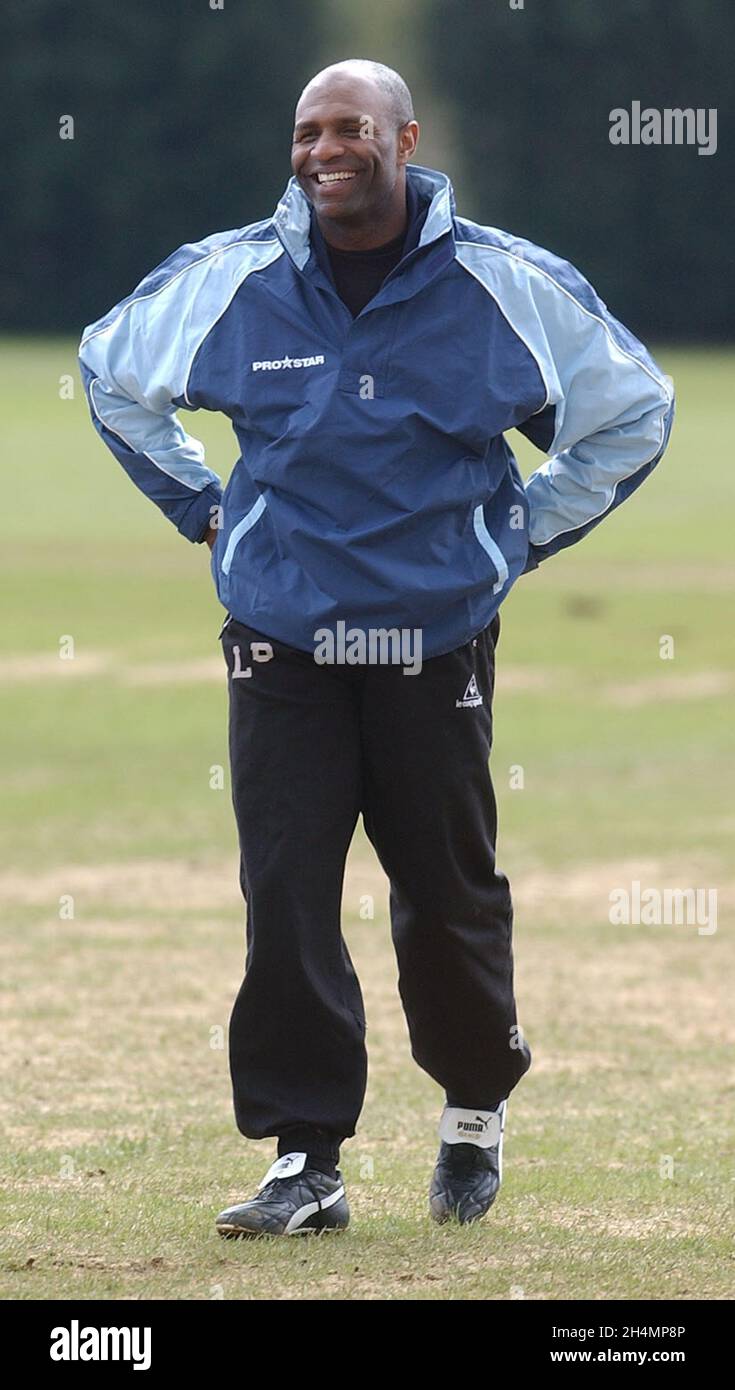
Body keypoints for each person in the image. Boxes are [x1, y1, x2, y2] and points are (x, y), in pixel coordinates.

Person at [78, 59, 675, 1237]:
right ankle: (308, 1160)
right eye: (306, 133)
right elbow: (108, 370)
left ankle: (471, 1108)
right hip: (281, 636)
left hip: (434, 639)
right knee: (287, 893)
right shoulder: (231, 279)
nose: (323, 151)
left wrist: (519, 535)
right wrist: (204, 510)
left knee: (445, 892)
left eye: (349, 128)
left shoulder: (505, 285)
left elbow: (634, 409)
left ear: (405, 139)